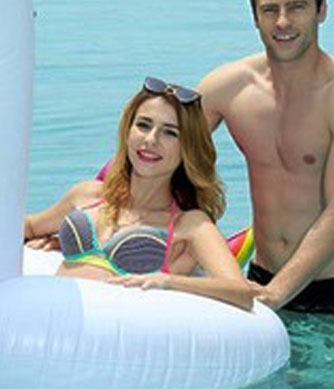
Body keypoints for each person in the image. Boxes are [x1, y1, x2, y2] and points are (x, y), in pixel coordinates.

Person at [197, 0, 334, 314]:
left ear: (321, 10)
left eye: (297, 7)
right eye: (270, 10)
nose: (283, 22)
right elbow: (159, 154)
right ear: (255, 17)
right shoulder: (227, 88)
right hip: (262, 277)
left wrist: (275, 295)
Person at [25, 78, 254, 311]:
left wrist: (169, 282)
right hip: (52, 324)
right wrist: (60, 242)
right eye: (143, 125)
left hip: (116, 330)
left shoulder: (191, 225)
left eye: (170, 133)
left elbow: (241, 293)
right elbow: (30, 226)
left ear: (188, 148)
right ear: (128, 130)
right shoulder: (89, 195)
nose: (150, 140)